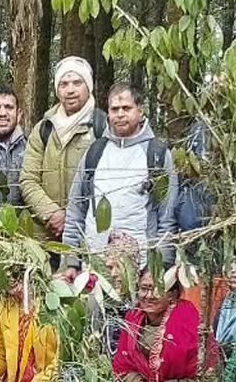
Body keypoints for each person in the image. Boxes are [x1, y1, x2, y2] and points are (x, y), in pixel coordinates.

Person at [64, 83, 176, 261]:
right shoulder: (95, 152)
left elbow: (167, 219)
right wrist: (70, 261)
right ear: (108, 113)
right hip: (95, 266)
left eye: (126, 108)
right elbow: (75, 210)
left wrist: (158, 269)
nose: (120, 114)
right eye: (114, 109)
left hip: (140, 265)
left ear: (140, 112)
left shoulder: (157, 155)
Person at [21, 57, 104, 241]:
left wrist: (72, 217)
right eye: (64, 84)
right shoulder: (44, 128)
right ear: (57, 90)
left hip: (88, 234)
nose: (70, 90)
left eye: (77, 83)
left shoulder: (102, 127)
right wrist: (52, 213)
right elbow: (28, 179)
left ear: (88, 86)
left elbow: (110, 183)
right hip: (46, 236)